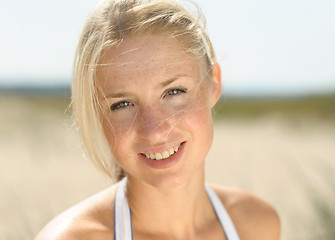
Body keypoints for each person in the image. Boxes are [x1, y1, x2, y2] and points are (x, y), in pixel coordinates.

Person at [35, 0, 280, 239]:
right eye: (122, 104)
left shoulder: (256, 223)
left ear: (214, 83)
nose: (154, 130)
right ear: (97, 114)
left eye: (174, 92)